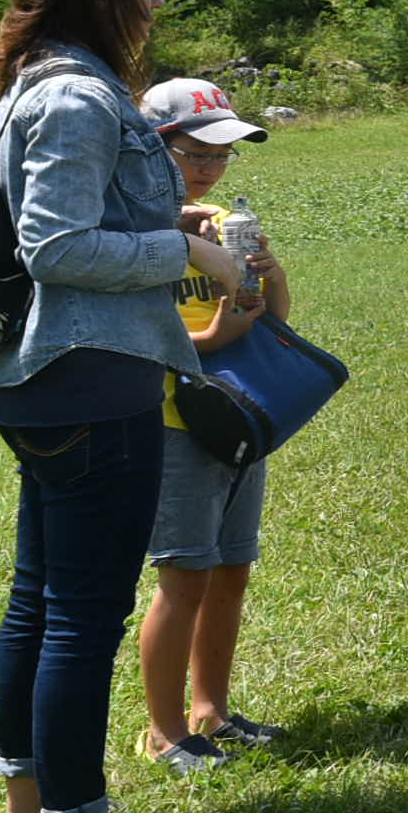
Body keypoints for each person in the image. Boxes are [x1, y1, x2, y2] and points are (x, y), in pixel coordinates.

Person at [0, 0, 246, 813]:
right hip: (92, 379)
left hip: (49, 379)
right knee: (82, 615)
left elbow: (67, 215)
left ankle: (27, 807)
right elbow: (56, 245)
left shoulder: (29, 85)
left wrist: (160, 209)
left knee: (39, 600)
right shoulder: (78, 97)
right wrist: (185, 249)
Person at [133, 77, 290, 774]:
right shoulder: (137, 234)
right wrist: (210, 343)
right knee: (183, 578)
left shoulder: (223, 218)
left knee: (231, 569)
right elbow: (135, 334)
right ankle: (163, 732)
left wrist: (268, 275)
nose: (211, 170)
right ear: (154, 149)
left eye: (224, 156)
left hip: (236, 413)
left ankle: (211, 712)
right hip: (172, 420)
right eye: (198, 154)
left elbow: (274, 320)